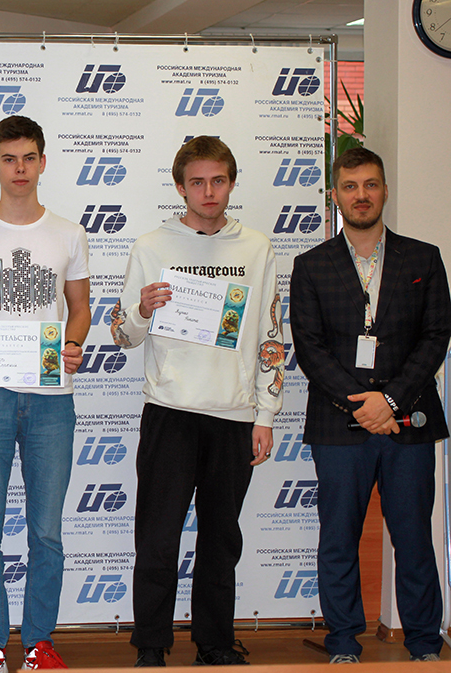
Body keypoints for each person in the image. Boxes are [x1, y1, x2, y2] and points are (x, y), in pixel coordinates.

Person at [110, 136, 283, 667]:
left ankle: (215, 642)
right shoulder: (151, 246)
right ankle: (151, 645)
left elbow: (270, 336)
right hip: (170, 413)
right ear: (180, 187)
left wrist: (265, 414)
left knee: (221, 540)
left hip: (234, 416)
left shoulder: (256, 248)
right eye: (198, 182)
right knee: (157, 538)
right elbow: (122, 336)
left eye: (218, 181)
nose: (209, 192)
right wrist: (141, 310)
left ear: (231, 183)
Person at [0, 115, 91, 673]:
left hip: (51, 397)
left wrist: (73, 343)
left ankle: (39, 643)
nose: (19, 169)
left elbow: (80, 308)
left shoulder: (69, 233)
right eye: (9, 159)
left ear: (42, 162)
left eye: (29, 158)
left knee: (46, 532)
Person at [289, 147, 450, 664]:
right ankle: (342, 642)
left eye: (371, 185)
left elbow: (436, 336)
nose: (362, 195)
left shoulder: (423, 258)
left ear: (384, 190)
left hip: (409, 421)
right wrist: (363, 405)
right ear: (335, 195)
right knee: (338, 539)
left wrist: (391, 400)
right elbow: (310, 347)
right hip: (339, 424)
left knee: (414, 539)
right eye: (351, 186)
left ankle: (424, 642)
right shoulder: (311, 266)